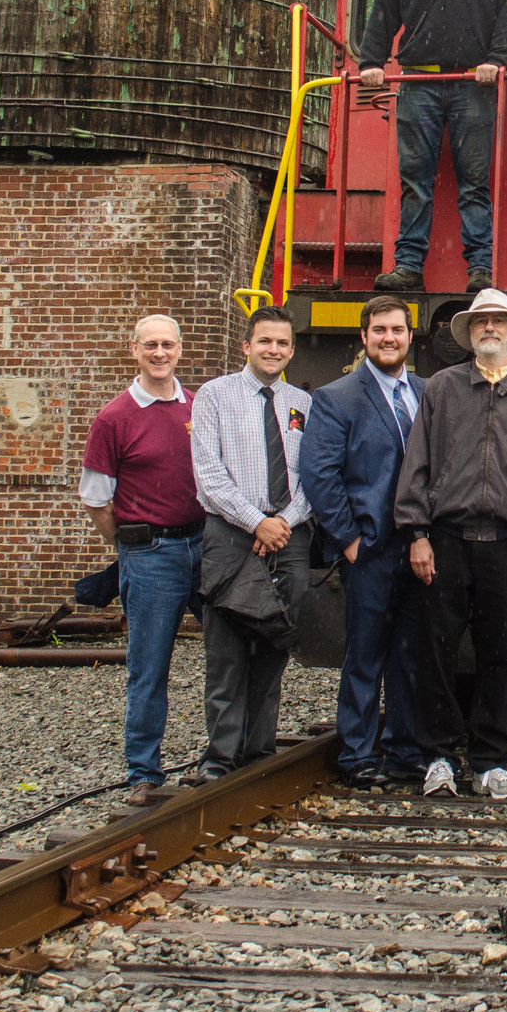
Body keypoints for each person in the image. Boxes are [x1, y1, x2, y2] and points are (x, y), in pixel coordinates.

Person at [397, 289, 507, 799]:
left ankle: (492, 761)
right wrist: (417, 533)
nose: (489, 329)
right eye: (480, 323)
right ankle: (441, 757)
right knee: (438, 649)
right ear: (469, 333)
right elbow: (418, 463)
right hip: (445, 540)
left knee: (499, 652)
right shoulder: (442, 388)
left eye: (498, 322)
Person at [360, 0, 507, 295]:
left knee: (474, 179)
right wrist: (370, 62)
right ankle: (409, 265)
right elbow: (383, 12)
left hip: (473, 82)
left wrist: (496, 61)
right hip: (418, 81)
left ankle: (480, 269)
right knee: (415, 177)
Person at [298, 297, 428, 788]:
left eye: (397, 330)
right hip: (369, 549)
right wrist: (348, 539)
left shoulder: (427, 391)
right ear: (365, 337)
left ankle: (402, 750)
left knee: (408, 654)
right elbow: (319, 474)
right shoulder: (337, 397)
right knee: (364, 656)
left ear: (410, 337)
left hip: (419, 547)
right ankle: (357, 755)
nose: (388, 338)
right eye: (379, 330)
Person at [77, 313, 203, 804]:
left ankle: (224, 757)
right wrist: (128, 545)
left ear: (179, 350)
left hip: (205, 545)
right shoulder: (114, 418)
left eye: (167, 344)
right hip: (149, 552)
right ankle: (143, 770)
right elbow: (96, 498)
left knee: (231, 651)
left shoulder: (197, 406)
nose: (159, 353)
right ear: (134, 350)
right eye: (149, 345)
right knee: (149, 664)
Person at [188, 306, 316, 784]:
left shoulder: (302, 402)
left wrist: (282, 521)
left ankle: (259, 753)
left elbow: (314, 474)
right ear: (246, 345)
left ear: (291, 349)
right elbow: (208, 475)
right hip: (230, 535)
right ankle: (219, 760)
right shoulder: (214, 397)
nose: (274, 350)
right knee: (225, 651)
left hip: (290, 536)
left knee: (273, 646)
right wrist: (255, 522)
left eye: (282, 343)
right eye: (265, 341)